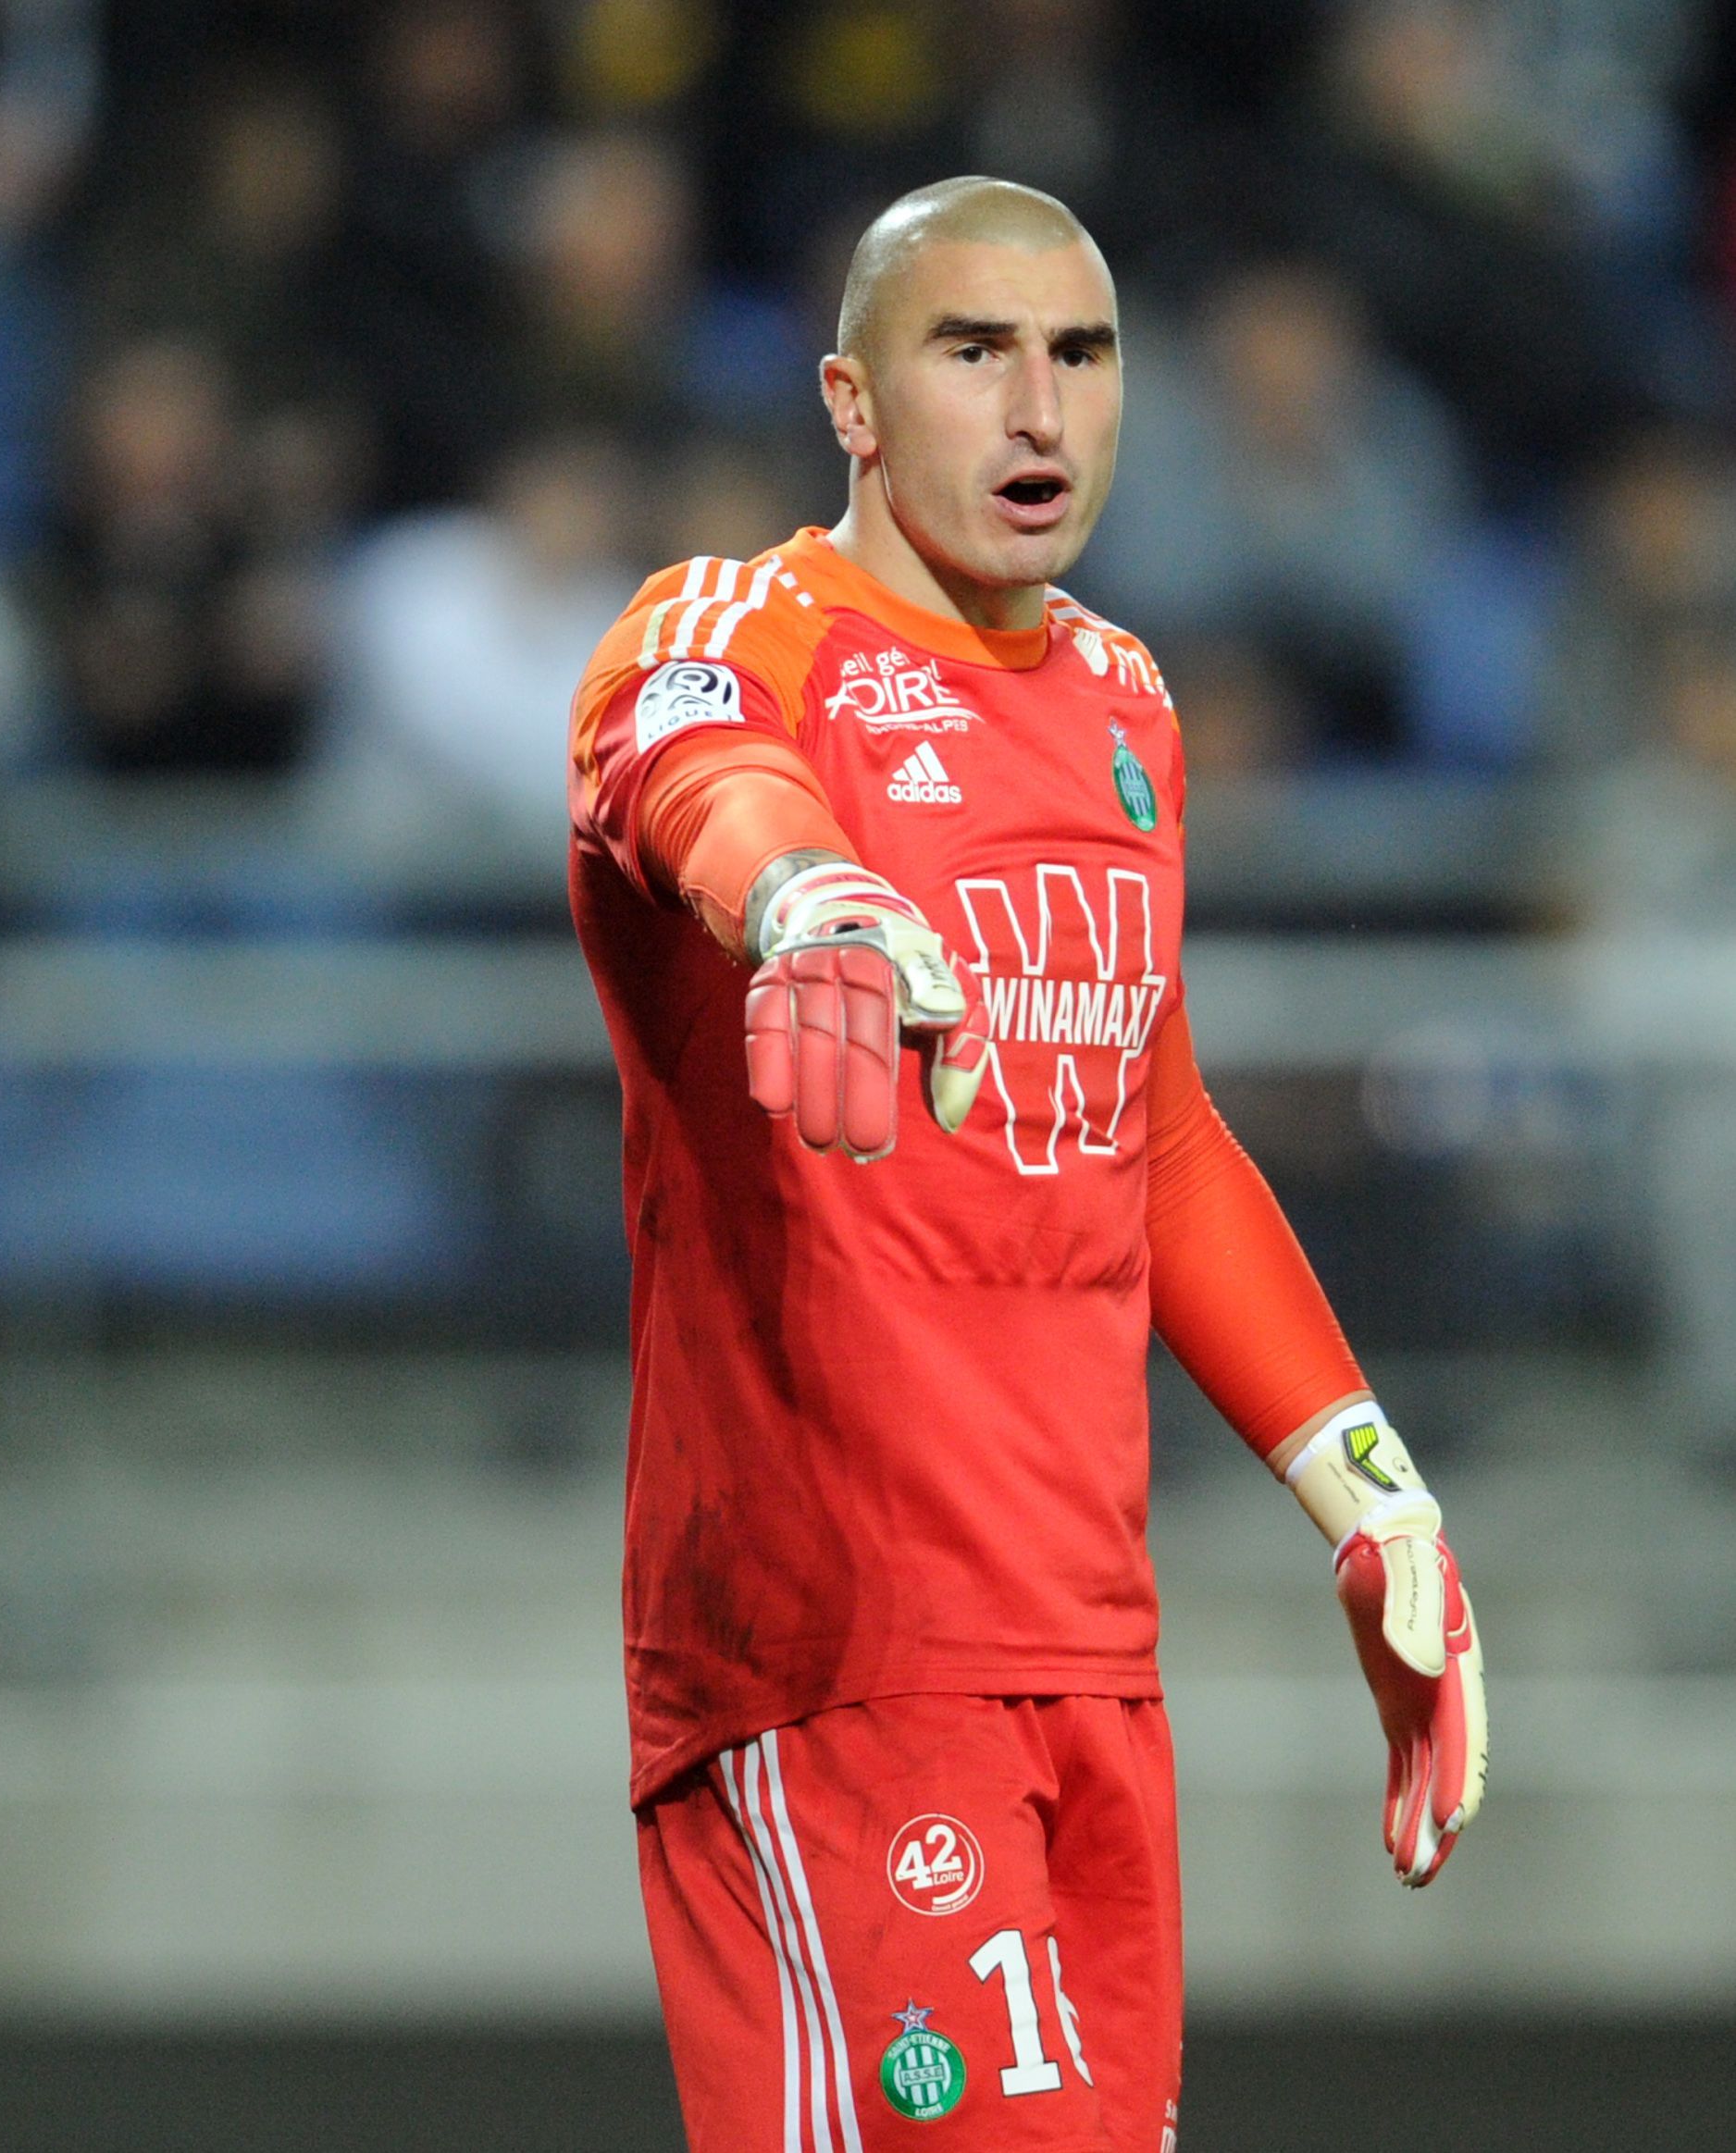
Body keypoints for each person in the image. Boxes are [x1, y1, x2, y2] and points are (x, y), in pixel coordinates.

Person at [563, 178, 1489, 2152]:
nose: (1038, 407)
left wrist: (1373, 1496)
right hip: (840, 1662)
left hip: (1090, 1660)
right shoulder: (739, 627)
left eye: (1079, 354)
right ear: (852, 400)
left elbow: (1156, 1137)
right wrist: (809, 899)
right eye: (971, 352)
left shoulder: (1125, 701)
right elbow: (690, 764)